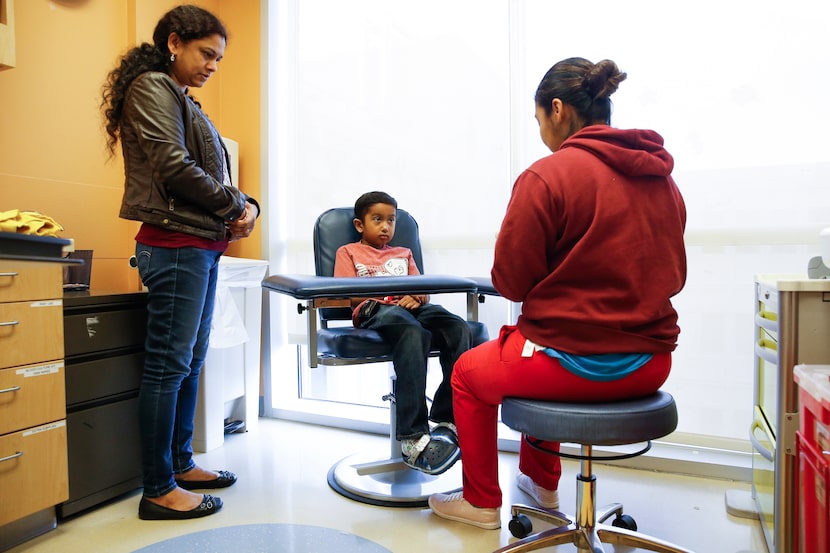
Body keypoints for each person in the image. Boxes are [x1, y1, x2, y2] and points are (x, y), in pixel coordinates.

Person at [428, 57, 687, 529]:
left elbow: (511, 281)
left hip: (571, 366)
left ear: (558, 110)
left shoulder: (547, 176)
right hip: (649, 364)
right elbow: (673, 275)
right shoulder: (662, 180)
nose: (541, 132)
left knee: (469, 372)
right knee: (535, 346)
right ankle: (538, 481)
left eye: (539, 120)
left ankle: (481, 502)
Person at [101, 5, 260, 520]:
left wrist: (247, 205)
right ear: (175, 42)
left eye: (218, 57)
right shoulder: (152, 87)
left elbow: (213, 174)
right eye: (206, 53)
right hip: (173, 247)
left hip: (199, 246)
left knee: (189, 361)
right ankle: (158, 488)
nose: (213, 65)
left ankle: (181, 462)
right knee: (168, 366)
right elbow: (173, 167)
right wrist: (236, 206)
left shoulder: (182, 100)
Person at [334, 191, 471, 475]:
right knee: (413, 331)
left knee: (457, 327)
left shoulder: (403, 253)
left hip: (409, 308)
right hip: (374, 309)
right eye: (378, 219)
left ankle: (447, 418)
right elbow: (346, 293)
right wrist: (392, 298)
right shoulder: (348, 252)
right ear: (360, 225)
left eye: (391, 220)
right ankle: (412, 435)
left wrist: (415, 296)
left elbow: (423, 291)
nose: (386, 226)